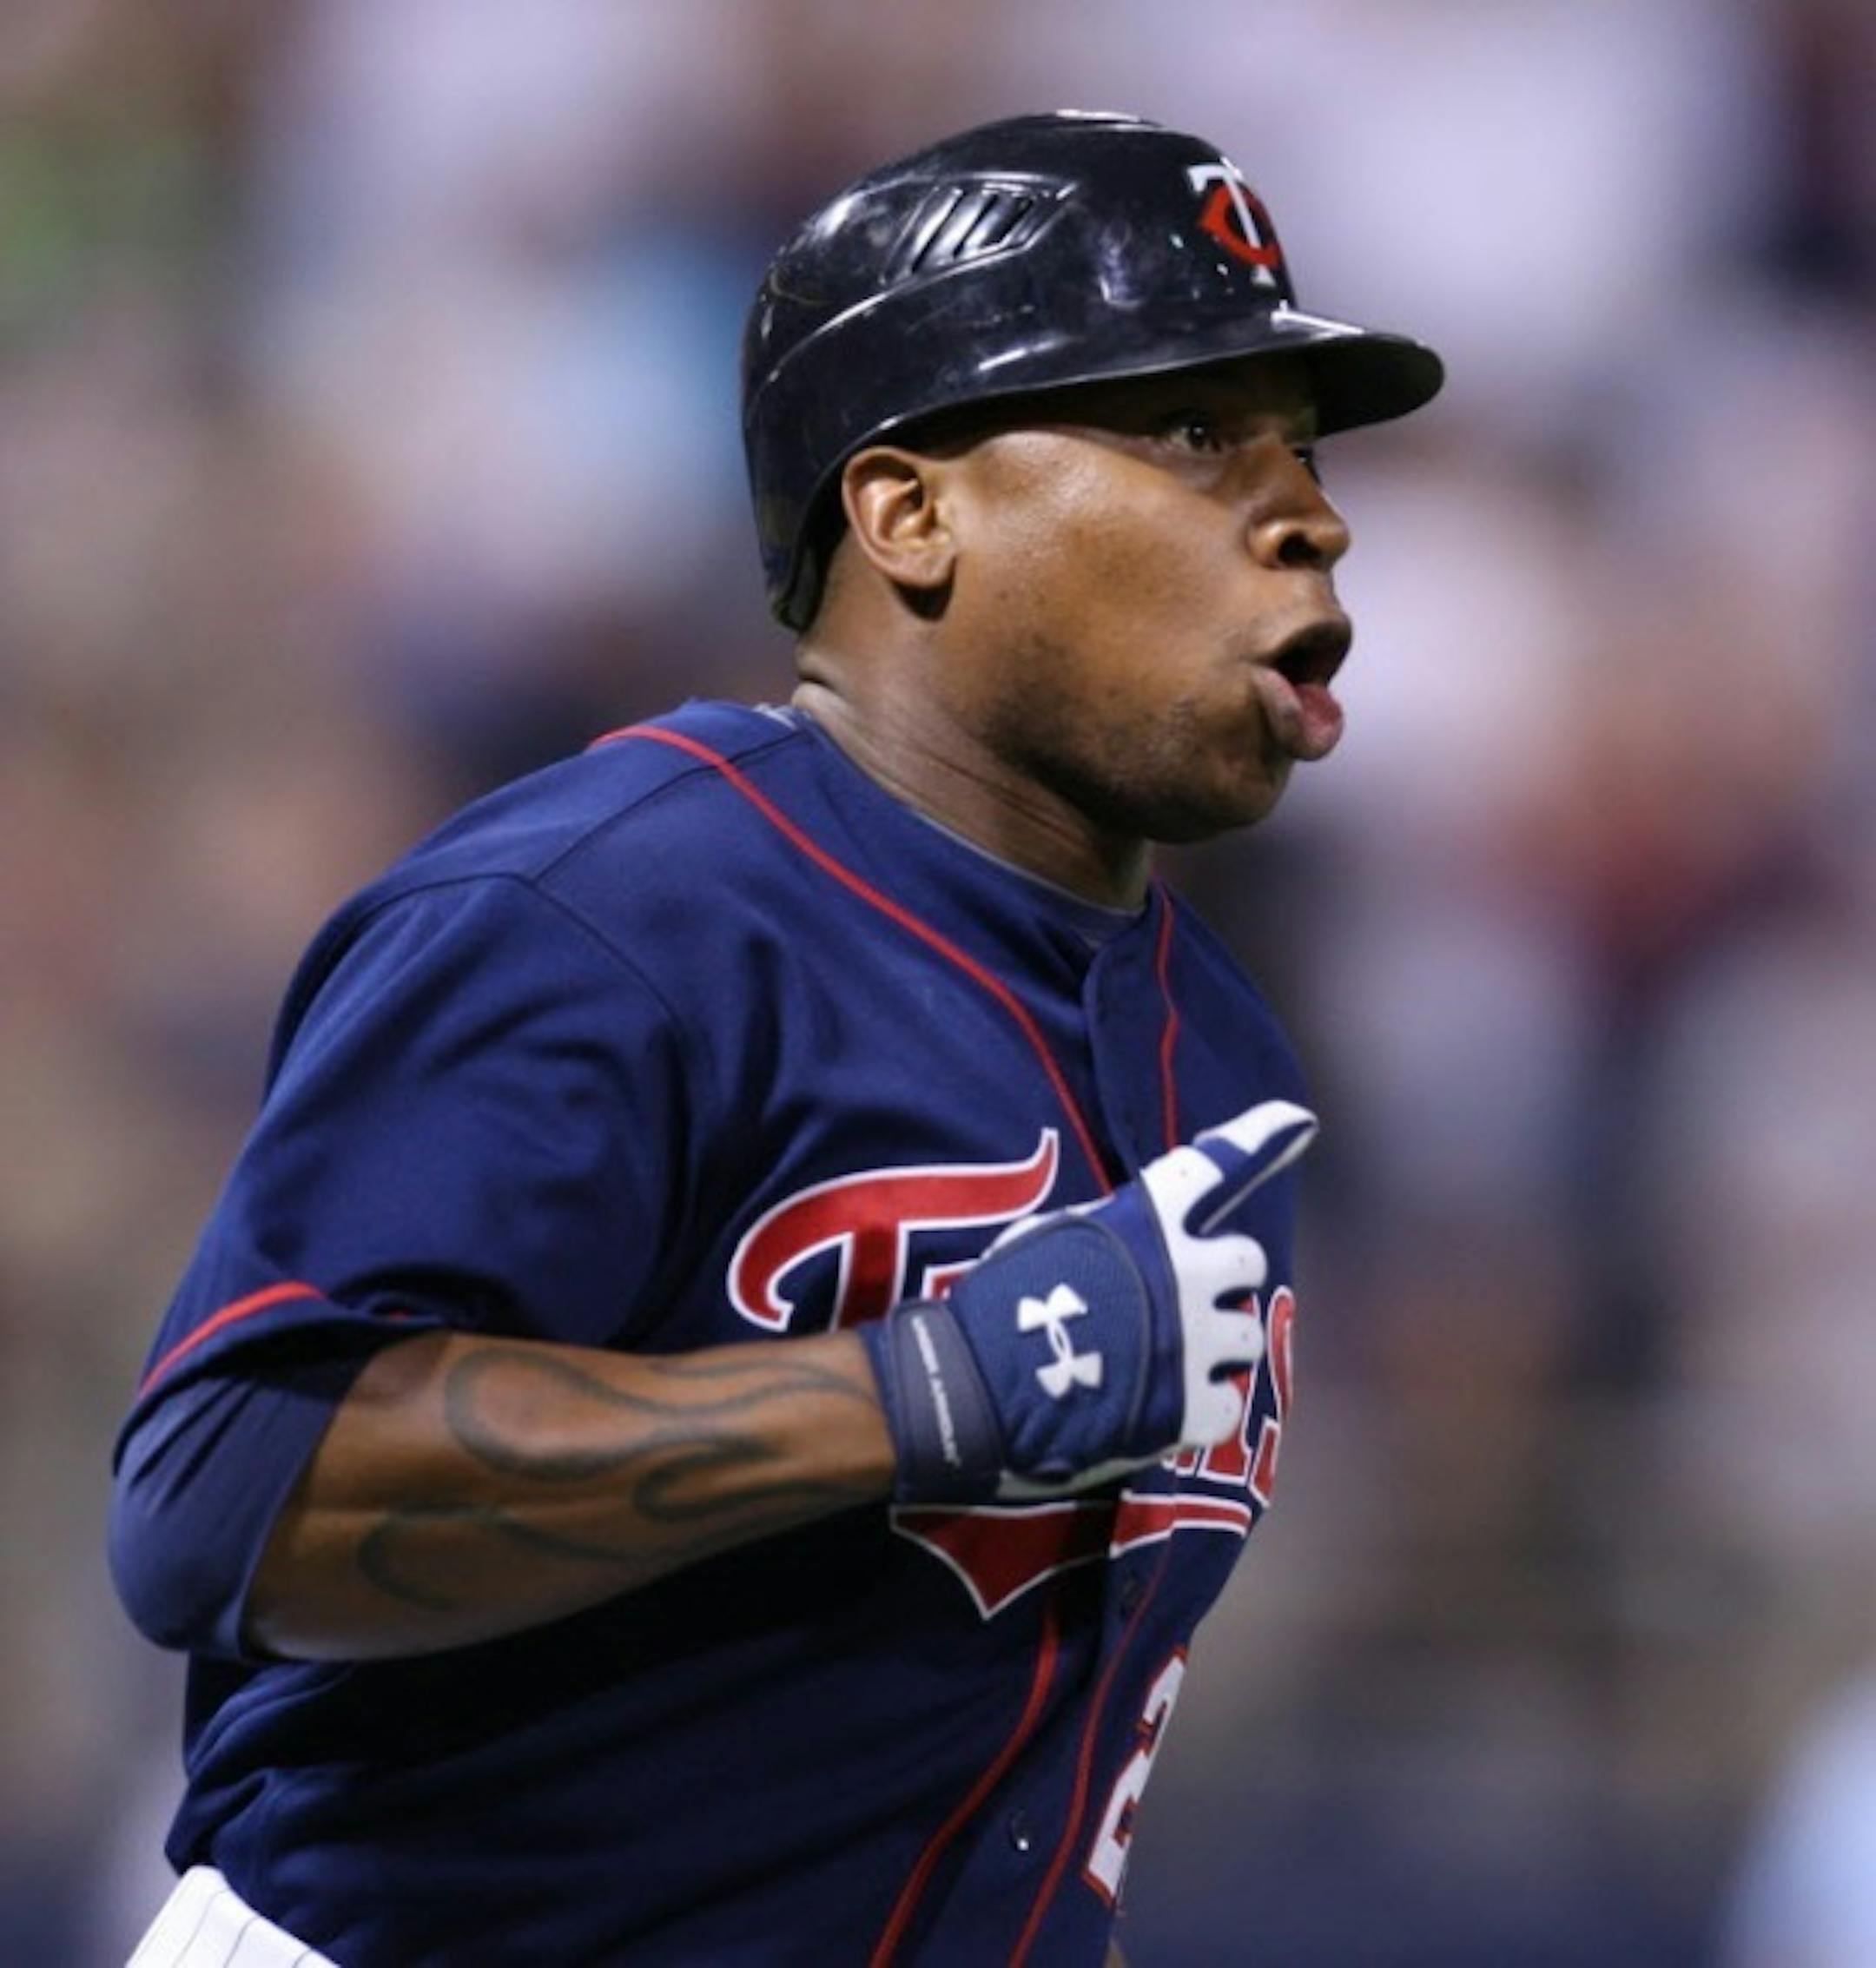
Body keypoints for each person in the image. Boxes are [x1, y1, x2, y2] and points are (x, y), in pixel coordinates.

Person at [111, 110, 1443, 1966]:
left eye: (1302, 445)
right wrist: (917, 1394)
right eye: (1194, 430)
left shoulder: (1219, 1052)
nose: (1310, 512)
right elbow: (223, 1497)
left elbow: (1021, 1777)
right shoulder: (621, 902)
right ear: (909, 514)